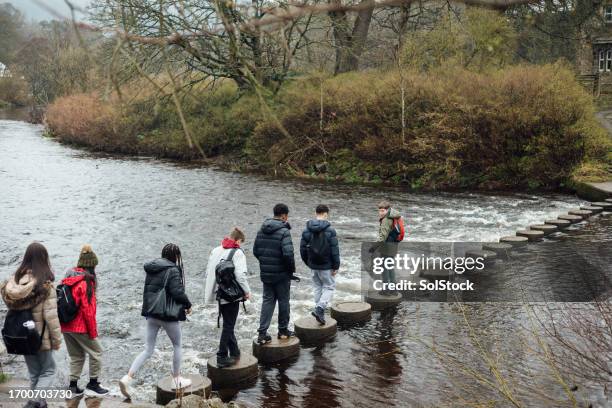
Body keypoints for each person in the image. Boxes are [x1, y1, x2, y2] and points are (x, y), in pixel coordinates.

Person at [119, 244, 193, 400]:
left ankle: (128, 378)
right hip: (167, 315)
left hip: (152, 313)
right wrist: (188, 304)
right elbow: (177, 292)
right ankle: (177, 379)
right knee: (177, 345)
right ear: (176, 256)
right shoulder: (173, 270)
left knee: (148, 349)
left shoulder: (153, 267)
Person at [1, 242, 62, 408]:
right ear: (44, 259)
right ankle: (35, 401)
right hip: (41, 336)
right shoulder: (45, 285)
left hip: (21, 335)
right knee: (49, 370)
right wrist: (57, 340)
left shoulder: (15, 284)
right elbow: (51, 317)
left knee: (34, 372)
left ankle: (37, 402)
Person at [60, 245, 108, 397]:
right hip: (79, 326)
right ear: (92, 265)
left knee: (77, 355)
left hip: (65, 325)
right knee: (97, 352)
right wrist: (93, 332)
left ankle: (73, 387)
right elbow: (88, 311)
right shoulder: (87, 282)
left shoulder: (68, 278)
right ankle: (93, 384)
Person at [204, 228, 251, 368]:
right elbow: (241, 276)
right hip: (231, 294)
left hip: (218, 292)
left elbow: (209, 271)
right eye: (241, 243)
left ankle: (234, 350)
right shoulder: (238, 253)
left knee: (227, 322)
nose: (240, 245)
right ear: (238, 240)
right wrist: (247, 292)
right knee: (229, 325)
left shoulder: (216, 249)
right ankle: (222, 355)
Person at [253, 203, 296, 345]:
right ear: (283, 215)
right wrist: (290, 271)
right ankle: (283, 331)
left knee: (267, 301)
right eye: (287, 215)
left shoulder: (261, 230)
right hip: (282, 275)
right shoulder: (284, 231)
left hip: (266, 274)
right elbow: (288, 254)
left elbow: (256, 251)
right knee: (283, 301)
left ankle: (262, 333)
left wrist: (265, 263)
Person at [300, 205, 340, 325]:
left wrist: (308, 263)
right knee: (329, 286)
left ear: (315, 213)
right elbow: (334, 250)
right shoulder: (330, 230)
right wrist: (336, 266)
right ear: (326, 214)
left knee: (317, 286)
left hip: (313, 265)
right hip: (326, 265)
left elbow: (302, 249)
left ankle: (319, 310)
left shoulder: (307, 229)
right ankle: (320, 309)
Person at [375, 200, 403, 294]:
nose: (381, 213)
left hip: (387, 246)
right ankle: (393, 289)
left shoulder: (386, 220)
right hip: (393, 246)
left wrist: (374, 247)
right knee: (390, 267)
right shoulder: (394, 216)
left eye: (383, 211)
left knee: (384, 268)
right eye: (379, 210)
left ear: (387, 210)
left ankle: (386, 289)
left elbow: (382, 236)